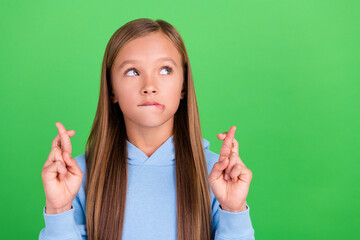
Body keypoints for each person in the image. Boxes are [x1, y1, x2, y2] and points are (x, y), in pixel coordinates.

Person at [39, 18, 255, 240]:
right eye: (133, 72)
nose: (149, 86)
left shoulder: (215, 174)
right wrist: (58, 209)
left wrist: (234, 209)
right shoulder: (77, 176)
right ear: (111, 89)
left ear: (183, 85)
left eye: (165, 69)